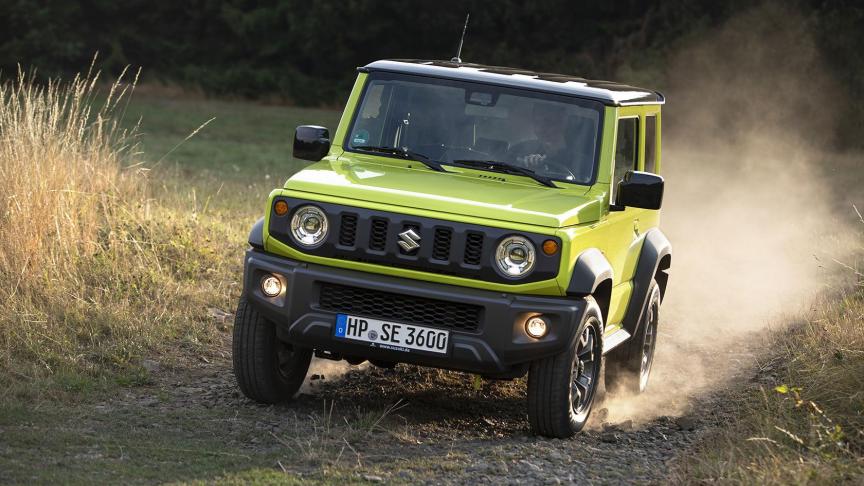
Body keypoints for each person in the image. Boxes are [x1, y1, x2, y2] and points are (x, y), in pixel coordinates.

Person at [508, 102, 571, 171]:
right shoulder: (518, 151)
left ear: (562, 122)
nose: (539, 129)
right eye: (536, 122)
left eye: (547, 121)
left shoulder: (580, 159)